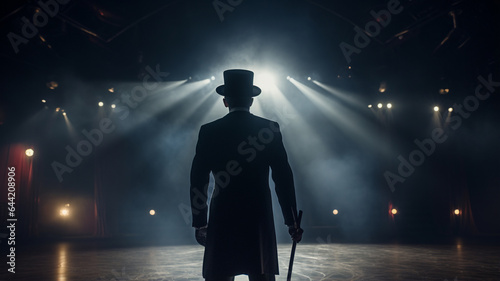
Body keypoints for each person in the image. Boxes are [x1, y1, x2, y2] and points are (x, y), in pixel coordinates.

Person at [190, 69, 303, 281]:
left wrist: (200, 221)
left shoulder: (209, 131)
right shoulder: (269, 129)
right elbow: (283, 177)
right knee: (261, 272)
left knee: (220, 274)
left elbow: (199, 179)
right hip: (257, 216)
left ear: (225, 101)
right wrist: (292, 221)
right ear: (251, 101)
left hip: (223, 215)